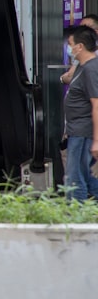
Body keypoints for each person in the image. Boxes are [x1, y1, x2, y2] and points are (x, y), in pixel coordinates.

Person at [61, 25, 98, 201]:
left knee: (74, 179)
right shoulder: (84, 66)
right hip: (77, 130)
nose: (69, 48)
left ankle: (77, 218)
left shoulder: (91, 69)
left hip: (83, 132)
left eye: (71, 44)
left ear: (80, 46)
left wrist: (96, 140)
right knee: (85, 176)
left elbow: (96, 105)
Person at [61, 15, 98, 84]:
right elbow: (71, 75)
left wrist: (63, 78)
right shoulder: (81, 52)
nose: (79, 32)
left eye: (85, 29)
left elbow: (71, 77)